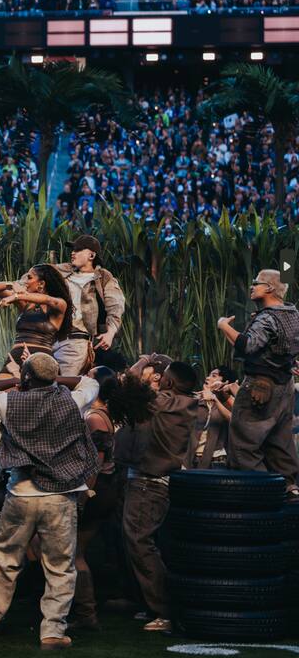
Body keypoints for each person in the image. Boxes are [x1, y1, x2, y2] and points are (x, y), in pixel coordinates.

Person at [0, 353, 100, 650]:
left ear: (27, 377)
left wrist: (17, 381)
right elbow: (90, 382)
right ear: (53, 377)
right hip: (60, 495)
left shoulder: (9, 402)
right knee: (60, 565)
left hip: (21, 493)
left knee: (3, 559)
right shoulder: (72, 401)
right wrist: (54, 377)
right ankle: (52, 631)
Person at [114, 358, 201, 634]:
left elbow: (127, 383)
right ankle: (149, 604)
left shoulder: (163, 402)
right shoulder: (183, 404)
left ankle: (163, 611)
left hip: (148, 484)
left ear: (169, 382)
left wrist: (143, 361)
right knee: (142, 543)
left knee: (141, 544)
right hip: (153, 483)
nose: (159, 378)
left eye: (163, 376)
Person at [72, 366, 150, 631]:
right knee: (77, 550)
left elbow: (95, 463)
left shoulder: (95, 418)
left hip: (97, 490)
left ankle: (86, 612)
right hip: (106, 489)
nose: (83, 378)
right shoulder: (104, 414)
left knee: (75, 552)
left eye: (89, 376)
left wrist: (84, 496)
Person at [218, 269, 299, 496]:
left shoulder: (267, 317)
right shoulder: (294, 314)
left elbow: (248, 346)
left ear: (270, 288)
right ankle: (289, 487)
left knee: (243, 445)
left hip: (261, 385)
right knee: (280, 443)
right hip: (285, 386)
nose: (252, 286)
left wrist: (224, 325)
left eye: (256, 283)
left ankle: (264, 492)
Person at [53, 235, 126, 375]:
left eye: (78, 249)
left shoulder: (103, 277)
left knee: (62, 382)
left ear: (91, 255)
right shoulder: (62, 270)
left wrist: (110, 333)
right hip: (50, 337)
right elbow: (36, 275)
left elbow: (116, 307)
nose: (73, 253)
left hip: (77, 340)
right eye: (73, 249)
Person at [0, 264, 74, 375]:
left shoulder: (60, 303)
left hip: (41, 358)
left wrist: (16, 296)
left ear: (41, 284)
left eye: (29, 278)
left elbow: (47, 299)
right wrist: (12, 284)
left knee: (36, 385)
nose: (25, 282)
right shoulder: (26, 304)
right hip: (17, 354)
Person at [192, 366, 236, 469]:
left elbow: (235, 419)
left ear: (225, 382)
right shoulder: (197, 400)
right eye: (209, 375)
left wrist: (216, 398)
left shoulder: (227, 401)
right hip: (193, 458)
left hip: (217, 459)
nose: (207, 378)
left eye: (214, 376)